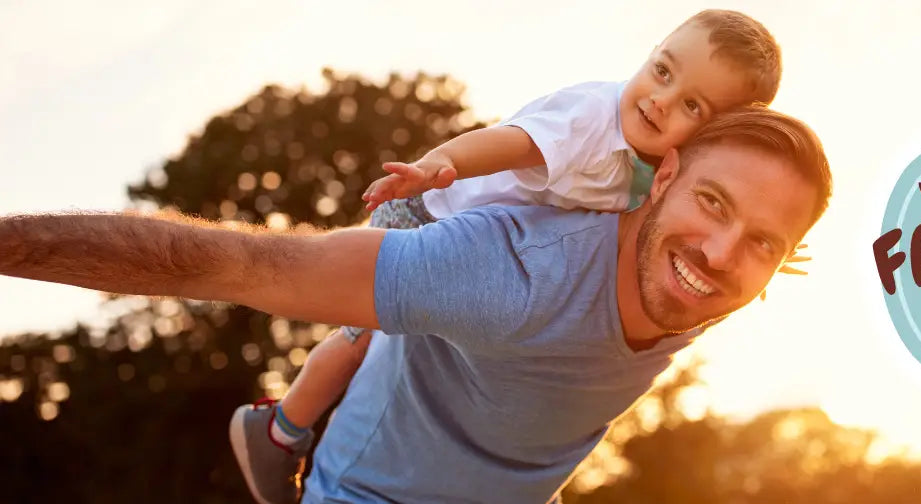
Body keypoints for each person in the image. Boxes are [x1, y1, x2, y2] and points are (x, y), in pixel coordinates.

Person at [0, 105, 833, 503]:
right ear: (670, 175)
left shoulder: (707, 280)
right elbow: (235, 263)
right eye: (714, 206)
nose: (721, 255)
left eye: (764, 242)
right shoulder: (506, 275)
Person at [231, 8, 796, 502]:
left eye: (692, 104)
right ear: (650, 54)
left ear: (714, 134)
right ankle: (281, 429)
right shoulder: (591, 121)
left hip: (491, 245)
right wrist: (435, 167)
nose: (659, 100)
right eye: (663, 71)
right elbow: (510, 142)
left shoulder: (661, 169)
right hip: (432, 213)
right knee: (359, 339)